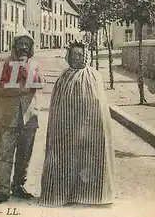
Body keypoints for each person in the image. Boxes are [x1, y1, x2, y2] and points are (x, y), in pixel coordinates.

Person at [39, 40, 116, 207]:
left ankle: (90, 195)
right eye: (73, 55)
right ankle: (64, 195)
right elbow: (56, 106)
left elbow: (100, 104)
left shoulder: (94, 75)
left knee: (89, 159)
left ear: (86, 56)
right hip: (67, 127)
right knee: (66, 159)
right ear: (68, 56)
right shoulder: (63, 77)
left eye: (80, 55)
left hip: (89, 127)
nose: (76, 58)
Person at [0, 31, 45, 204]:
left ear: (31, 48)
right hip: (8, 117)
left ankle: (18, 186)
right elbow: (1, 87)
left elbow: (40, 82)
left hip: (29, 117)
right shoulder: (4, 63)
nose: (23, 48)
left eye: (26, 45)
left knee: (24, 155)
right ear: (14, 47)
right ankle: (3, 190)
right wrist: (23, 89)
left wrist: (23, 70)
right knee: (4, 155)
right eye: (20, 44)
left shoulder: (34, 65)